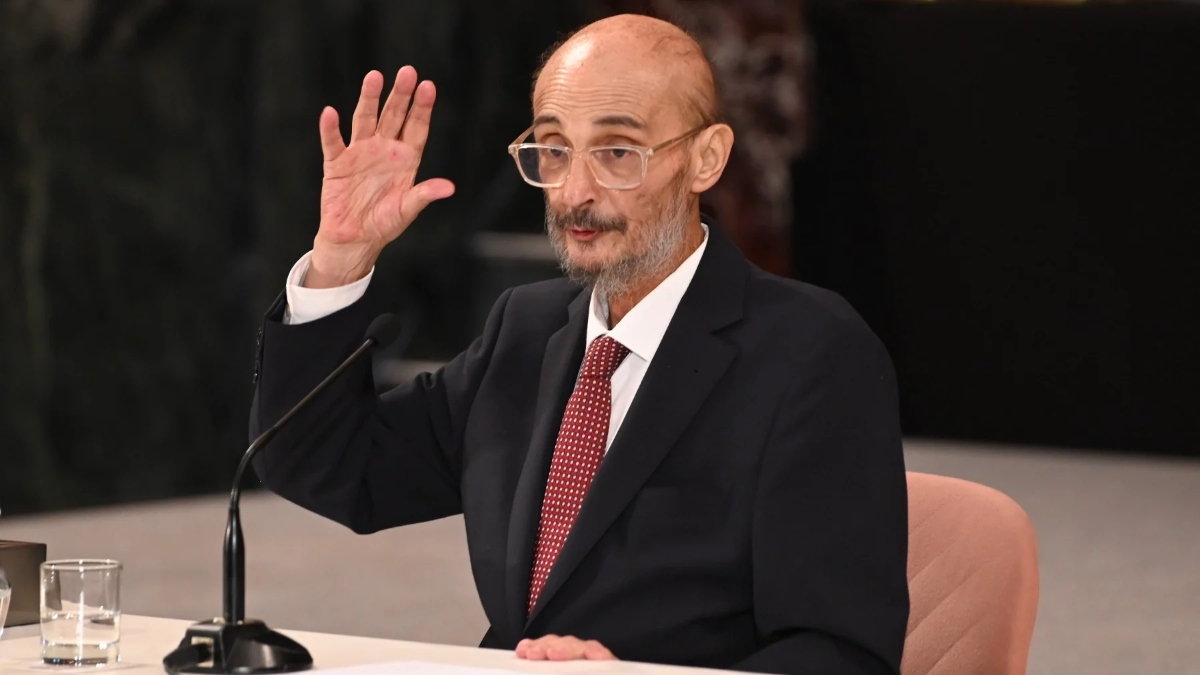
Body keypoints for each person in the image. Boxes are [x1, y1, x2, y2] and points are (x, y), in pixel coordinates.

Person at [249, 13, 909, 675]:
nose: (575, 191)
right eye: (555, 149)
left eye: (618, 152)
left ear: (705, 158)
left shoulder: (812, 353)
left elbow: (840, 651)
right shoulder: (526, 328)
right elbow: (329, 464)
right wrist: (340, 259)